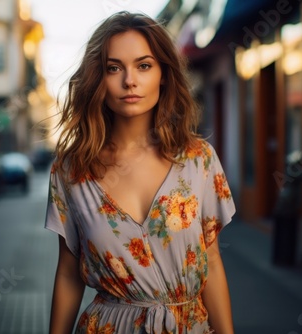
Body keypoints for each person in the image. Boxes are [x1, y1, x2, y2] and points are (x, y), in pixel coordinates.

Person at [45, 11, 236, 334]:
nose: (129, 80)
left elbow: (212, 263)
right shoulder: (71, 169)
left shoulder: (198, 160)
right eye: (114, 68)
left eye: (143, 66)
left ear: (163, 74)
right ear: (98, 78)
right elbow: (67, 271)